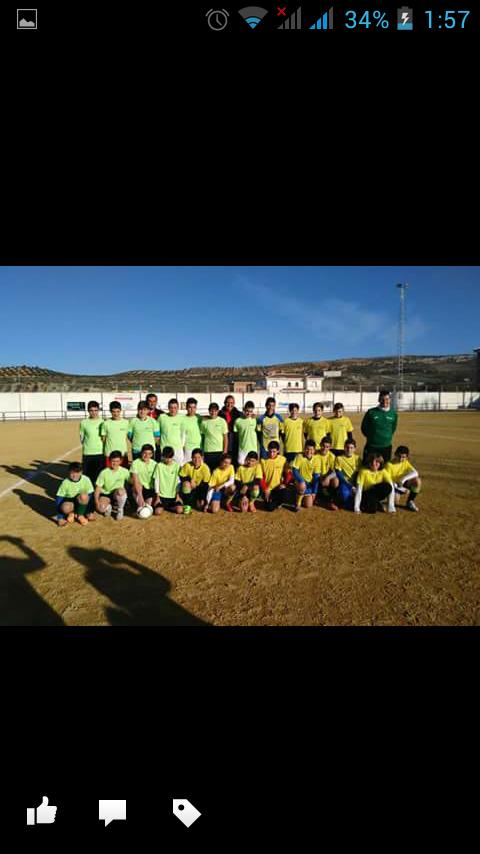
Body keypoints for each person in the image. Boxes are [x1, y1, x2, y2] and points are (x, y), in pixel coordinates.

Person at [361, 390, 398, 464]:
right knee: (367, 466)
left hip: (386, 447)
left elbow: (393, 428)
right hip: (371, 446)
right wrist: (372, 437)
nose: (385, 401)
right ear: (379, 399)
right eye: (382, 399)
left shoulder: (393, 414)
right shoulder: (371, 412)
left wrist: (386, 437)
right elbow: (364, 427)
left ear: (390, 400)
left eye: (387, 399)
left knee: (384, 467)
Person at [55, 461, 94, 527]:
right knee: (65, 508)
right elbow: (59, 499)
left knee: (84, 496)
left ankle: (80, 515)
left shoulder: (86, 479)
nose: (74, 475)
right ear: (69, 472)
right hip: (70, 503)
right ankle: (72, 513)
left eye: (77, 472)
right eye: (72, 473)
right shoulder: (65, 482)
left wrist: (89, 511)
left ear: (81, 472)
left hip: (81, 501)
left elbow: (90, 495)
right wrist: (60, 517)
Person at [95, 450, 131, 520]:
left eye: (117, 461)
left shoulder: (125, 471)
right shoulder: (104, 472)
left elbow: (131, 482)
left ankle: (120, 510)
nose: (115, 463)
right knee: (101, 508)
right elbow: (98, 488)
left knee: (121, 491)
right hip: (106, 494)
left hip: (116, 493)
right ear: (109, 460)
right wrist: (96, 502)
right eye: (113, 461)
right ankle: (108, 507)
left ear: (120, 461)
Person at [385, 445, 421, 512]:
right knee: (396, 501)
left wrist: (402, 480)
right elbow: (388, 482)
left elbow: (415, 473)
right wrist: (402, 489)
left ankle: (410, 501)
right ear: (395, 454)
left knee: (417, 481)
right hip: (393, 486)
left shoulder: (405, 462)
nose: (401, 459)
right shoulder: (389, 465)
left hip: (401, 483)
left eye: (403, 457)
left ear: (407, 457)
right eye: (399, 456)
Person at [79, 400, 105, 485]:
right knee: (87, 476)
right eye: (91, 410)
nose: (94, 412)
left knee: (99, 476)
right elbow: (82, 437)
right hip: (87, 453)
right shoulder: (83, 423)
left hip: (100, 453)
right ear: (88, 411)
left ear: (98, 410)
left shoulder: (103, 422)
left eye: (95, 410)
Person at [291, 440, 321, 512]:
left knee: (308, 505)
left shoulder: (317, 460)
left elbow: (316, 477)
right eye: (307, 449)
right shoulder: (299, 456)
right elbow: (294, 470)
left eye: (311, 449)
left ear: (314, 450)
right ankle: (297, 504)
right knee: (302, 485)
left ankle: (300, 495)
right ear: (304, 449)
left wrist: (314, 492)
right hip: (300, 483)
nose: (309, 451)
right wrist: (301, 480)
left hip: (309, 485)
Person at [260, 440, 290, 511]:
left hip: (278, 488)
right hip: (268, 489)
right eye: (270, 451)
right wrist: (265, 489)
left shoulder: (283, 460)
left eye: (274, 451)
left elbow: (288, 474)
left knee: (286, 495)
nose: (271, 454)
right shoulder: (263, 461)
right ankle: (271, 500)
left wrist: (284, 484)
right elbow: (260, 477)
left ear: (278, 451)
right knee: (269, 508)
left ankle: (277, 502)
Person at [154, 446, 183, 515]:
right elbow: (156, 481)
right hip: (162, 496)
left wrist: (178, 495)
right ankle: (164, 507)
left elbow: (178, 481)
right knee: (158, 512)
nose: (168, 459)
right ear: (163, 456)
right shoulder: (159, 466)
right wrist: (157, 497)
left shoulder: (177, 466)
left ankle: (168, 507)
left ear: (173, 456)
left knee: (179, 510)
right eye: (166, 457)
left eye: (170, 457)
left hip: (173, 496)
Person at [179, 448, 211, 512]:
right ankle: (187, 504)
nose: (196, 460)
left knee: (200, 506)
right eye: (194, 457)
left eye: (199, 457)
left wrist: (202, 498)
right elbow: (181, 476)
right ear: (191, 457)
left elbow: (205, 484)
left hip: (200, 489)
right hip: (189, 488)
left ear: (202, 457)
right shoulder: (187, 465)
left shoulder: (205, 468)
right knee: (186, 484)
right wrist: (190, 480)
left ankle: (196, 501)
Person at [200, 402, 229, 473]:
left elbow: (225, 437)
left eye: (215, 411)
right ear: (209, 411)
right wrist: (202, 451)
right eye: (211, 411)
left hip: (219, 451)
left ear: (218, 411)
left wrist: (225, 451)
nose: (213, 413)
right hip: (207, 451)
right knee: (208, 471)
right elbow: (202, 437)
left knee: (217, 472)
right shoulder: (204, 422)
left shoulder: (222, 421)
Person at [100, 401, 130, 467]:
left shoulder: (126, 422)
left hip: (122, 453)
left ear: (120, 411)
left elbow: (128, 436)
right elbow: (103, 439)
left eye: (118, 411)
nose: (116, 414)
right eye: (113, 412)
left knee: (123, 472)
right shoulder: (105, 423)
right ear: (110, 411)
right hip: (109, 454)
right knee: (109, 472)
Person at [334, 438, 361, 509]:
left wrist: (356, 485)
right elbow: (339, 474)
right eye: (347, 447)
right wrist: (350, 486)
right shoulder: (339, 458)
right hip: (345, 483)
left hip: (355, 483)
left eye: (351, 448)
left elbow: (359, 474)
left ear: (354, 449)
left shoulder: (358, 459)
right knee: (344, 495)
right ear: (344, 448)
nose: (349, 450)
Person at [129, 443, 157, 513]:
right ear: (141, 453)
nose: (146, 455)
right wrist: (140, 496)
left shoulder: (155, 464)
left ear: (152, 455)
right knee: (141, 506)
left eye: (149, 454)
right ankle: (136, 502)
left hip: (150, 489)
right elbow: (135, 480)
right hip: (139, 489)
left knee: (147, 508)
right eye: (145, 453)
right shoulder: (135, 463)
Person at [157, 399, 185, 465]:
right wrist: (159, 445)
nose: (173, 410)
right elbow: (157, 432)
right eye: (171, 407)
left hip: (178, 449)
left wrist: (181, 445)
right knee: (165, 467)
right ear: (168, 408)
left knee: (179, 467)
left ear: (178, 408)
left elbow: (183, 433)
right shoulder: (161, 417)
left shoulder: (182, 418)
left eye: (175, 408)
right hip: (165, 449)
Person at [315, 437, 340, 511]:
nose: (324, 448)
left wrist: (327, 478)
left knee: (336, 481)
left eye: (327, 447)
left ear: (330, 447)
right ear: (320, 444)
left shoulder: (332, 456)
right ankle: (319, 499)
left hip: (325, 478)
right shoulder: (315, 454)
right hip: (317, 478)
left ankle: (332, 500)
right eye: (323, 446)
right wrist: (320, 479)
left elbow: (334, 471)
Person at [219, 395, 242, 465]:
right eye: (227, 402)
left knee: (235, 461)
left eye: (231, 403)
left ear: (234, 403)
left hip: (235, 441)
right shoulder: (220, 414)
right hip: (223, 440)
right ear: (224, 403)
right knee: (224, 462)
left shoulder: (239, 414)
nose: (229, 405)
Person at [233, 401, 259, 465]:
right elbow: (236, 435)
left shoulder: (255, 420)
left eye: (251, 411)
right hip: (242, 449)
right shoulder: (237, 421)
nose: (249, 413)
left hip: (253, 448)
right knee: (241, 464)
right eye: (247, 411)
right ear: (243, 409)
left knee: (252, 466)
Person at [146, 393, 164, 461]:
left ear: (156, 402)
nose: (152, 403)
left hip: (158, 443)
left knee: (157, 461)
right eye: (150, 401)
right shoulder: (143, 413)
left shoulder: (161, 414)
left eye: (154, 401)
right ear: (147, 402)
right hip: (146, 441)